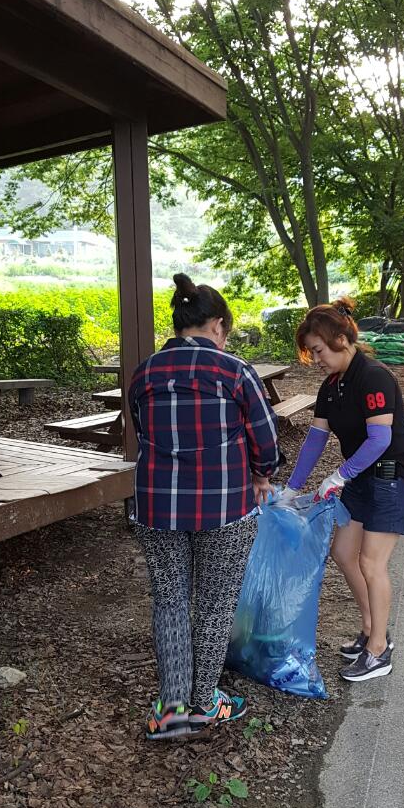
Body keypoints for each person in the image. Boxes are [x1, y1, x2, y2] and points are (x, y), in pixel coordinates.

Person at [129, 273, 281, 741]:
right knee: (215, 603)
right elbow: (266, 440)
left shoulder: (144, 373)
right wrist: (261, 474)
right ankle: (204, 703)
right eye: (225, 332)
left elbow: (140, 429)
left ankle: (172, 709)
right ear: (217, 325)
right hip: (225, 507)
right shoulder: (235, 372)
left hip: (156, 506)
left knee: (170, 600)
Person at [279, 300, 404, 682]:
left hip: (392, 479)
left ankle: (379, 652)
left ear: (341, 340)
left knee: (371, 563)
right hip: (360, 480)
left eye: (318, 350)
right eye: (312, 353)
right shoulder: (331, 385)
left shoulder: (374, 377)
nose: (316, 359)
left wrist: (339, 475)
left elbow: (380, 439)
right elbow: (315, 439)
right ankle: (371, 629)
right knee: (343, 553)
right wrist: (292, 488)